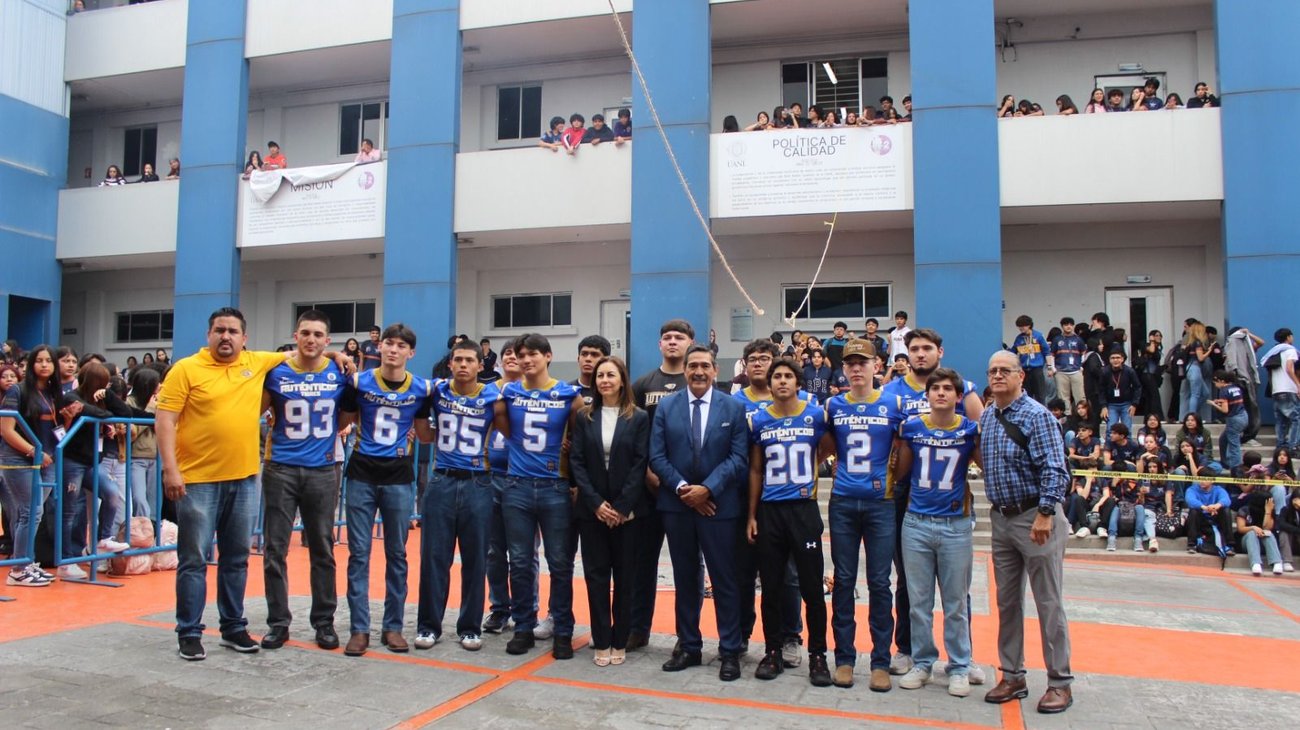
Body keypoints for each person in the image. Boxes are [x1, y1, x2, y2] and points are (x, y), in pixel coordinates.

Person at [156, 307, 331, 660]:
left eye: (233, 331)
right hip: (198, 482)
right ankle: (189, 631)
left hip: (244, 479)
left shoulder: (256, 362)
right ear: (208, 335)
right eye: (219, 330)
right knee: (193, 560)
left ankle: (233, 626)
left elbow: (301, 352)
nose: (226, 337)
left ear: (244, 338)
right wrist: (170, 470)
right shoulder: (186, 369)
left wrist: (338, 355)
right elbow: (165, 419)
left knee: (236, 558)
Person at [880, 328, 985, 680]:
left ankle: (963, 658)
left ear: (940, 351)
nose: (920, 354)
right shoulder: (891, 393)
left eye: (927, 348)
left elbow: (982, 434)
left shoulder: (963, 389)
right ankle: (909, 650)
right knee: (910, 583)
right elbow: (890, 444)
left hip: (951, 502)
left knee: (957, 592)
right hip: (909, 499)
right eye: (914, 349)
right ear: (905, 353)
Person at [978, 351, 1073, 714]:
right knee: (1007, 602)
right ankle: (1013, 674)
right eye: (993, 371)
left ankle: (1060, 682)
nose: (998, 376)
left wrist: (1047, 512)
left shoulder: (1037, 416)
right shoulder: (988, 415)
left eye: (1006, 370)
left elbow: (1055, 466)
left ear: (1021, 376)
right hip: (1002, 519)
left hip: (1035, 516)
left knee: (1048, 602)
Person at [648, 344, 747, 680]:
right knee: (686, 578)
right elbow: (657, 456)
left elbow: (738, 458)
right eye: (693, 366)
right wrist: (683, 490)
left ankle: (730, 650)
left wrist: (708, 489)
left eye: (705, 365)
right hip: (677, 507)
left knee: (724, 579)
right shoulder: (667, 407)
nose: (699, 372)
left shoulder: (732, 408)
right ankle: (689, 645)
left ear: (716, 370)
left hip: (719, 507)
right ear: (685, 370)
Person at [337, 323, 434, 657]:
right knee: (359, 554)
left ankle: (393, 626)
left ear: (411, 352)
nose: (393, 350)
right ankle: (359, 629)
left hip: (398, 476)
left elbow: (424, 434)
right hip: (362, 472)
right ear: (380, 348)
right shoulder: (359, 382)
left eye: (400, 345)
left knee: (397, 554)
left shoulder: (422, 388)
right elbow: (343, 421)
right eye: (388, 344)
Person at [258, 310, 347, 651]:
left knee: (322, 549)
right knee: (274, 550)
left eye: (318, 334)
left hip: (323, 470)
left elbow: (351, 411)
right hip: (280, 467)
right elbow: (255, 407)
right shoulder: (275, 372)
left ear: (327, 341)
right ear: (295, 336)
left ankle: (324, 622)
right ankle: (278, 623)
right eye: (305, 333)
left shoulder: (339, 372)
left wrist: (342, 359)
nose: (311, 339)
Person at [493, 333, 583, 659]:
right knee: (519, 562)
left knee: (559, 563)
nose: (527, 360)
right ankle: (523, 627)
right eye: (522, 355)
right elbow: (503, 427)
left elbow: (579, 437)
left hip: (554, 488)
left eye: (533, 354)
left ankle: (562, 629)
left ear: (547, 356)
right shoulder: (509, 393)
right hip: (517, 484)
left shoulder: (568, 394)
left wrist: (572, 479)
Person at [821, 339, 902, 690]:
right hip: (842, 501)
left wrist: (891, 481)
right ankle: (844, 658)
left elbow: (905, 445)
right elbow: (822, 446)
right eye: (850, 363)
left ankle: (881, 660)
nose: (856, 368)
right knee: (843, 579)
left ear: (876, 366)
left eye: (862, 362)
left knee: (880, 582)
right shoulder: (833, 405)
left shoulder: (893, 403)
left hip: (879, 504)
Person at [746, 358, 831, 686]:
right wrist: (751, 515)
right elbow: (755, 470)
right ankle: (772, 650)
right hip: (771, 511)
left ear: (798, 383)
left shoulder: (815, 415)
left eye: (788, 376)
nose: (782, 381)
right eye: (776, 376)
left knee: (811, 586)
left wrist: (809, 467)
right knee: (771, 586)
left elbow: (826, 448)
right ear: (770, 384)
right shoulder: (759, 420)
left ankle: (818, 655)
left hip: (803, 509)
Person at [415, 340, 503, 652]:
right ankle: (428, 625)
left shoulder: (494, 394)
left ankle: (469, 627)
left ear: (482, 365)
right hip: (442, 480)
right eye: (458, 360)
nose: (463, 365)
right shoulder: (436, 391)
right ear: (450, 364)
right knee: (434, 558)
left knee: (475, 559)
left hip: (478, 482)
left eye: (470, 360)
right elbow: (424, 434)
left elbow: (510, 429)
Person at [570, 356, 648, 667]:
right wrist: (596, 503)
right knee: (596, 578)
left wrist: (622, 506)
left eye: (610, 375)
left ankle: (620, 640)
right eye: (600, 375)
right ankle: (601, 639)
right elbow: (577, 462)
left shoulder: (638, 417)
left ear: (621, 380)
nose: (604, 380)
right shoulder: (584, 417)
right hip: (592, 512)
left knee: (625, 579)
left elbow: (640, 463)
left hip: (627, 515)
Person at [626, 320, 692, 651]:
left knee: (687, 565)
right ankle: (638, 628)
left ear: (690, 343)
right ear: (659, 344)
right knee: (642, 563)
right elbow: (635, 434)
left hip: (686, 490)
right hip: (649, 488)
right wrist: (649, 473)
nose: (672, 342)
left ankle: (687, 635)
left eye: (679, 337)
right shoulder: (642, 384)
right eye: (666, 337)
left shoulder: (697, 380)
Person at [0, 346, 62, 587]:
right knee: (30, 512)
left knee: (32, 514)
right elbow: (6, 430)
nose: (44, 365)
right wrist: (33, 451)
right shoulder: (17, 390)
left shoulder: (52, 392)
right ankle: (18, 568)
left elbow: (57, 427)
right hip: (19, 461)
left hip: (47, 461)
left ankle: (27, 561)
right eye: (39, 361)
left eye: (48, 361)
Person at [125, 366, 160, 518]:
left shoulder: (158, 402)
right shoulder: (129, 403)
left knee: (154, 501)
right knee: (139, 499)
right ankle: (140, 532)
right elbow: (133, 433)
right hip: (136, 457)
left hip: (156, 458)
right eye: (156, 383)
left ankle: (152, 534)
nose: (159, 387)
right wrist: (150, 412)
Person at [1260, 328, 1299, 451]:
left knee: (1281, 420)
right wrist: (1298, 384)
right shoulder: (1290, 350)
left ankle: (1281, 445)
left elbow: (1270, 374)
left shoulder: (1273, 353)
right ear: (1288, 337)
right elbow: (1289, 368)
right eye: (1291, 336)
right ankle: (1293, 446)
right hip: (1288, 389)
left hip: (1277, 390)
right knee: (1296, 419)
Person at [1236, 490, 1283, 576]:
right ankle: (1256, 563)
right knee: (1252, 533)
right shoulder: (1245, 510)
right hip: (1247, 542)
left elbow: (1267, 527)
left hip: (1263, 543)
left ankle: (1277, 562)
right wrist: (1253, 528)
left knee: (1268, 533)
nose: (1271, 503)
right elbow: (1240, 528)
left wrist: (1268, 511)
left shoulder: (1270, 510)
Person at [1184, 471, 1232, 553]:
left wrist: (1216, 506)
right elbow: (1190, 500)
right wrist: (1204, 507)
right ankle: (1192, 544)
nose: (1202, 481)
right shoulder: (1192, 489)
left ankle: (1229, 544)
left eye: (1205, 479)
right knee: (1194, 511)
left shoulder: (1218, 489)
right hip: (1201, 518)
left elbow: (1226, 500)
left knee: (1226, 510)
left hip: (1215, 517)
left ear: (1212, 480)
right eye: (1200, 479)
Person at [1210, 370, 1248, 469]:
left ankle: (1236, 468)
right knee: (1223, 439)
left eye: (1215, 382)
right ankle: (1225, 461)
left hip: (1233, 419)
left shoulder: (1223, 391)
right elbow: (1232, 401)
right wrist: (1220, 402)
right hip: (1243, 415)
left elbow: (1225, 410)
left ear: (1221, 381)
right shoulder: (1236, 388)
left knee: (1234, 445)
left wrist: (1214, 404)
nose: (1215, 385)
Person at [1100, 349, 1141, 432]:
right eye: (1113, 358)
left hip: (1126, 404)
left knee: (1127, 430)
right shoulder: (1105, 372)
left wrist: (1134, 404)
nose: (1115, 360)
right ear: (1109, 360)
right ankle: (1109, 445)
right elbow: (1101, 389)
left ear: (1122, 359)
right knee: (1110, 430)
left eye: (1118, 357)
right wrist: (1103, 406)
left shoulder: (1129, 371)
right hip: (1111, 405)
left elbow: (1138, 387)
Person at [1049, 318, 1086, 409]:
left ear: (1073, 326)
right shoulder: (1057, 339)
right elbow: (1052, 355)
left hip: (1076, 371)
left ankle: (1080, 417)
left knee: (1080, 396)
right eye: (1066, 325)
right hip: (1061, 372)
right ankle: (1067, 417)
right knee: (1063, 397)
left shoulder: (1079, 339)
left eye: (1070, 324)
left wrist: (1081, 366)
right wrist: (1053, 368)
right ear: (1062, 326)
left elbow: (1083, 354)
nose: (1068, 326)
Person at [1012, 316, 1050, 403]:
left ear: (1029, 325)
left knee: (1040, 394)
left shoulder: (1038, 336)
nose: (1021, 328)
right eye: (1019, 326)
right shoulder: (1019, 338)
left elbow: (1047, 351)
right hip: (1025, 370)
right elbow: (1013, 352)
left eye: (1023, 326)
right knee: (1026, 394)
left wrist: (1050, 367)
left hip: (1037, 369)